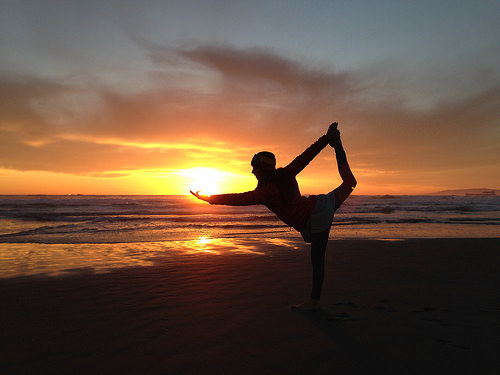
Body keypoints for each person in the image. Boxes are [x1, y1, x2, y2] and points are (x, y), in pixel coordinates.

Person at [191, 123, 357, 310]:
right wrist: (327, 139)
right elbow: (307, 155)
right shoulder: (287, 173)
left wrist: (209, 199)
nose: (252, 171)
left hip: (315, 218)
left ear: (262, 169)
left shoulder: (265, 192)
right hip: (321, 206)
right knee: (350, 183)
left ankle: (314, 303)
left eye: (255, 168)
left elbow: (238, 199)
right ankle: (338, 144)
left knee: (317, 262)